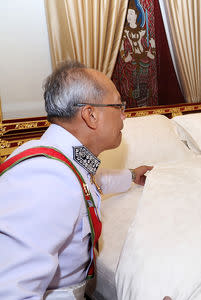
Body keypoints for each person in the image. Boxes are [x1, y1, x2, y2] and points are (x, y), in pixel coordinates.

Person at [0, 62, 154, 299]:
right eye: (118, 105)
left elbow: (91, 182)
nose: (125, 115)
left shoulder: (65, 161)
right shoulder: (46, 180)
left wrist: (132, 175)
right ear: (90, 115)